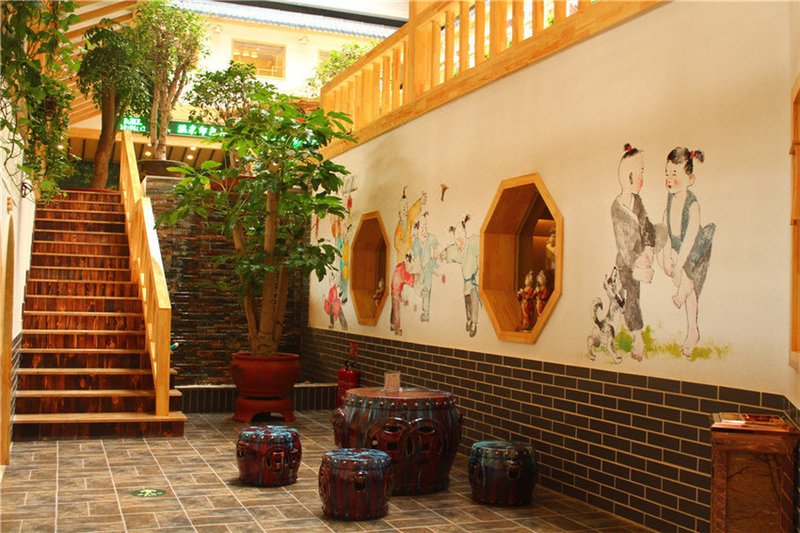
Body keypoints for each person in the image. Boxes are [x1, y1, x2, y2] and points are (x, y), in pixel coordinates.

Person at [659, 147, 715, 357]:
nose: (669, 179)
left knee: (687, 279)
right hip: (677, 249)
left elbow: (690, 240)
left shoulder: (692, 206)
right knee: (661, 254)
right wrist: (666, 258)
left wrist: (679, 266)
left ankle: (692, 329)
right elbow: (665, 230)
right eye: (667, 173)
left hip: (696, 250)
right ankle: (693, 326)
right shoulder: (670, 200)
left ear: (689, 179)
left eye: (674, 173)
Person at [611, 143, 655, 361]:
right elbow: (623, 245)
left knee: (631, 298)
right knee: (628, 297)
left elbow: (646, 225)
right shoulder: (616, 208)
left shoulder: (637, 201)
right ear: (628, 176)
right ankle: (633, 337)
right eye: (640, 173)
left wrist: (648, 249)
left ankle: (632, 336)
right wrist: (637, 265)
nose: (642, 178)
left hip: (640, 256)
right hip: (626, 263)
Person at [411, 212, 439, 322]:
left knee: (427, 288)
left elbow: (435, 243)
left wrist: (436, 252)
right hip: (420, 269)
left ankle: (426, 311)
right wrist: (417, 273)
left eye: (425, 228)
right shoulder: (416, 244)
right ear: (417, 231)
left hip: (428, 267)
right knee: (420, 288)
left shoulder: (430, 238)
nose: (424, 231)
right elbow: (415, 260)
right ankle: (421, 308)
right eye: (422, 229)